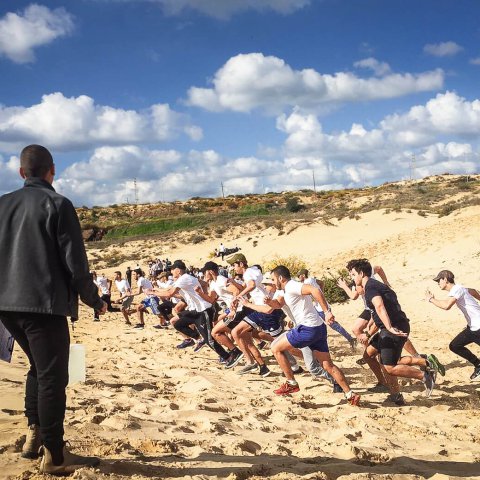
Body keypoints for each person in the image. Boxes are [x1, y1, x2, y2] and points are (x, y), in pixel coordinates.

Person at [0, 145, 106, 474]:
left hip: (5, 305)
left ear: (21, 173)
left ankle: (35, 435)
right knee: (53, 378)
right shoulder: (57, 203)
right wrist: (95, 299)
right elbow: (75, 263)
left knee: (38, 368)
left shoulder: (2, 204)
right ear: (52, 171)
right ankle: (55, 455)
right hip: (42, 305)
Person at [266, 266, 360, 404]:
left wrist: (327, 311)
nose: (273, 282)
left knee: (275, 347)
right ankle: (350, 394)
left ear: (281, 278)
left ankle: (291, 382)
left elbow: (314, 290)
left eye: (273, 279)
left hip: (307, 328)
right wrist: (270, 302)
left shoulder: (292, 285)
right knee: (328, 365)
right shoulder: (285, 290)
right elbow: (279, 305)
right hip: (318, 328)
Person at [348, 259, 440, 398]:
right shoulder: (373, 286)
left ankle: (425, 375)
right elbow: (377, 311)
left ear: (361, 273)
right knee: (368, 355)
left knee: (390, 367)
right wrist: (369, 330)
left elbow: (379, 306)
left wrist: (389, 327)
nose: (352, 278)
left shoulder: (371, 287)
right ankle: (393, 388)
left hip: (393, 328)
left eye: (353, 274)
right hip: (389, 327)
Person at [426, 270, 480, 380]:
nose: (438, 283)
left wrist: (431, 299)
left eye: (438, 280)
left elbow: (446, 306)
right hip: (472, 328)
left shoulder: (457, 289)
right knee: (455, 345)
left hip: (478, 327)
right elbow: (473, 291)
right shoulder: (460, 289)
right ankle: (478, 364)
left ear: (445, 279)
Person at [298, 268, 356, 350]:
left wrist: (318, 297)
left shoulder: (307, 282)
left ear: (303, 275)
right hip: (319, 306)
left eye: (299, 276)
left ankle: (351, 339)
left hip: (321, 307)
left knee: (333, 325)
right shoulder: (312, 280)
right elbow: (322, 283)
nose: (298, 278)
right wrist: (321, 294)